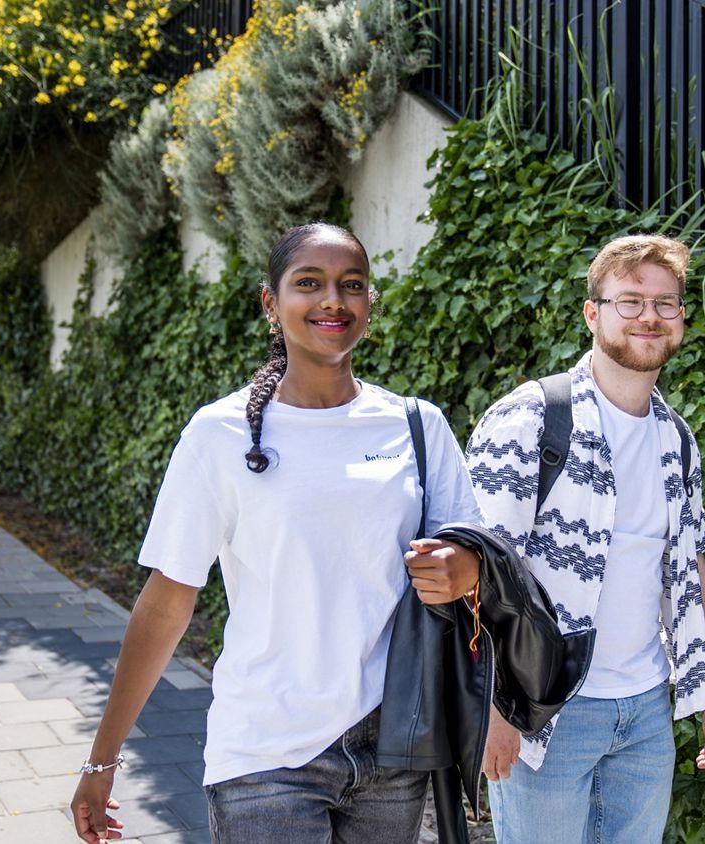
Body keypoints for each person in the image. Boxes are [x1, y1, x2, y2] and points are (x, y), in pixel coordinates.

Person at [70, 222, 484, 844]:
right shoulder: (219, 435)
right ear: (271, 302)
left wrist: (464, 569)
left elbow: (479, 563)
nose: (332, 301)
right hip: (265, 753)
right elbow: (167, 599)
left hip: (395, 742)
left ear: (371, 301)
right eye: (308, 283)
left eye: (352, 285)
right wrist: (102, 759)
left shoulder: (416, 426)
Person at [465, 234, 705, 843]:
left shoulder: (677, 440)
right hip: (546, 711)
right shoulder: (530, 418)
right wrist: (491, 708)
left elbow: (692, 573)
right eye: (630, 300)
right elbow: (473, 572)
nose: (650, 316)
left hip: (645, 712)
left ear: (681, 319)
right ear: (593, 313)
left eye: (666, 304)